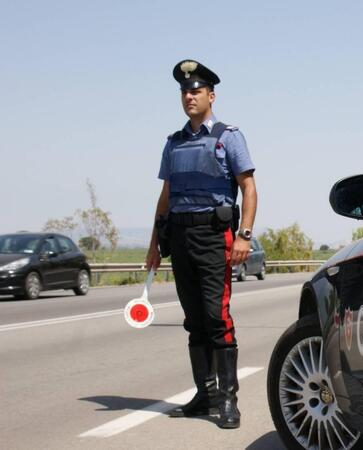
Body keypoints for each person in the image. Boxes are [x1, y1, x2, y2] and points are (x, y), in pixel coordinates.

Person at [144, 59, 257, 429]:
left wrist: (245, 236)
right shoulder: (173, 144)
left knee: (217, 317)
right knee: (194, 321)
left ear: (211, 95)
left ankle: (228, 400)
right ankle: (204, 394)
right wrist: (153, 244)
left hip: (215, 237)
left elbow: (249, 188)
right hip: (180, 236)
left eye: (196, 90)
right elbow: (166, 195)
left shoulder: (228, 137)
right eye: (184, 91)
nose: (189, 96)